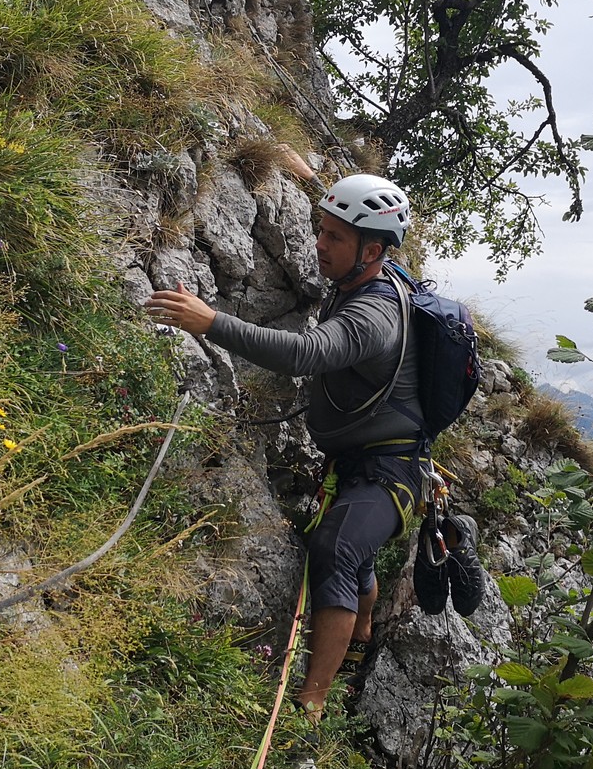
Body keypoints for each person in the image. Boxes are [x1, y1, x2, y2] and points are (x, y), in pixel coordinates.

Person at [146, 173, 422, 720]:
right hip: (359, 460)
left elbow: (303, 353)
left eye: (333, 239)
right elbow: (352, 220)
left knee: (335, 548)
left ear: (371, 251)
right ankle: (362, 627)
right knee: (350, 541)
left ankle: (313, 700)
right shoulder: (372, 271)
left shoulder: (376, 315)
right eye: (321, 230)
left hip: (392, 470)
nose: (319, 243)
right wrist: (306, 173)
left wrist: (212, 321)